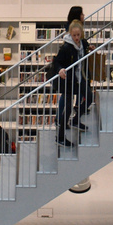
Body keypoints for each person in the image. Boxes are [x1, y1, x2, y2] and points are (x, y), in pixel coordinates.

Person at [46, 19, 92, 147]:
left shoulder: (83, 42)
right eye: (74, 35)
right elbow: (57, 61)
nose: (76, 38)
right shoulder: (66, 47)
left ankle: (76, 120)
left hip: (80, 78)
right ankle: (60, 137)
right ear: (70, 34)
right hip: (69, 80)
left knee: (89, 97)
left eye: (78, 35)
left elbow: (85, 48)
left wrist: (89, 48)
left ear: (81, 34)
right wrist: (60, 69)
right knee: (67, 109)